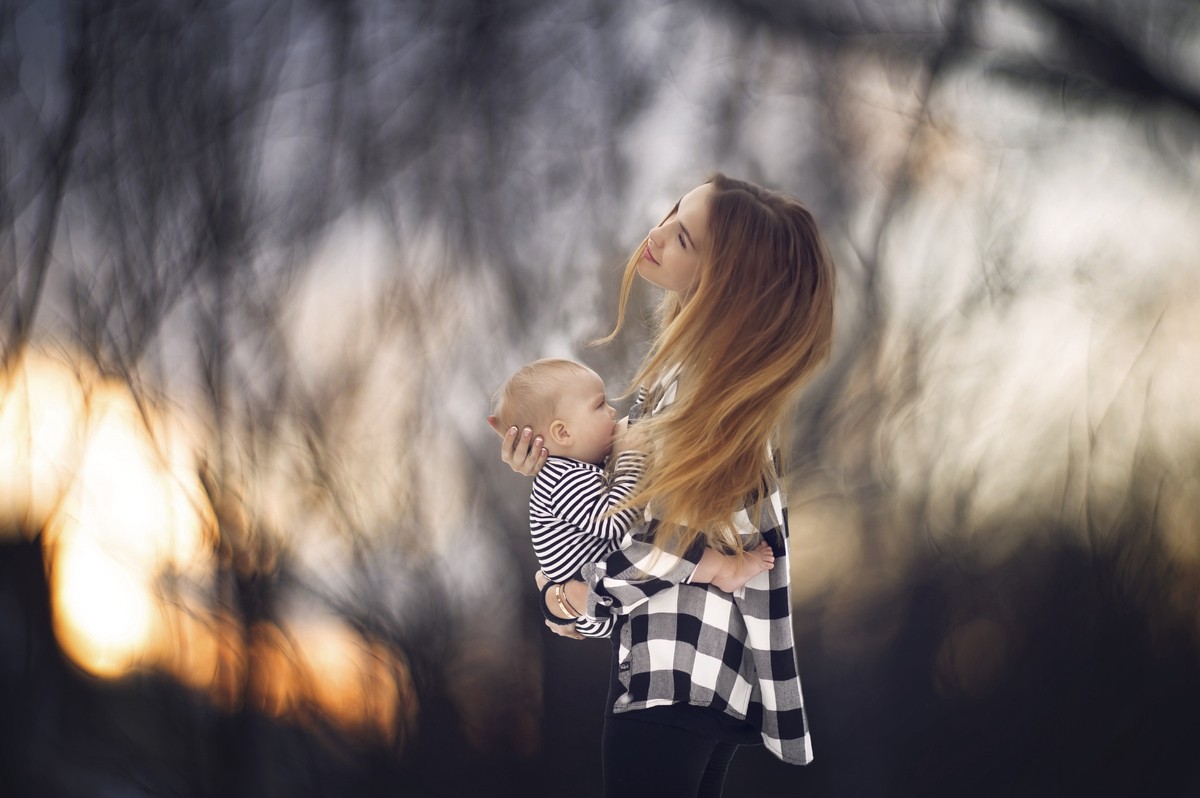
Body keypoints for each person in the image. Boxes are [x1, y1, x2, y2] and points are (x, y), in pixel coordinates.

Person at [494, 173, 835, 796]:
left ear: (722, 282)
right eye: (673, 212)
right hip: (703, 678)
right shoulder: (707, 386)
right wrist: (554, 467)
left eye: (682, 238)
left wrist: (575, 596)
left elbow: (653, 543)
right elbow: (642, 515)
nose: (656, 233)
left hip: (671, 677)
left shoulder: (700, 393)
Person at [491, 357, 777, 639]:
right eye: (600, 405)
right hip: (595, 595)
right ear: (563, 432)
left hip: (599, 581)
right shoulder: (560, 480)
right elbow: (613, 520)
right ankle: (721, 569)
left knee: (661, 542)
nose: (612, 412)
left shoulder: (575, 468)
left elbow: (638, 426)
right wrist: (631, 458)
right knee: (664, 545)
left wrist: (644, 407)